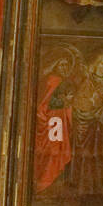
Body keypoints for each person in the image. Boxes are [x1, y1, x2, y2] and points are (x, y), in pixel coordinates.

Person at [71, 52, 103, 196]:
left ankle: (101, 187)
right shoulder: (88, 82)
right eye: (102, 63)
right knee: (89, 155)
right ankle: (86, 188)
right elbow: (80, 103)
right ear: (96, 64)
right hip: (89, 125)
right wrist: (94, 101)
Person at [34, 56, 74, 194]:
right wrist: (64, 102)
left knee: (58, 151)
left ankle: (53, 183)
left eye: (67, 65)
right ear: (55, 65)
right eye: (61, 64)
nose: (64, 68)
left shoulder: (61, 81)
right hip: (53, 121)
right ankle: (46, 183)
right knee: (54, 151)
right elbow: (45, 104)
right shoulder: (54, 81)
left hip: (59, 120)